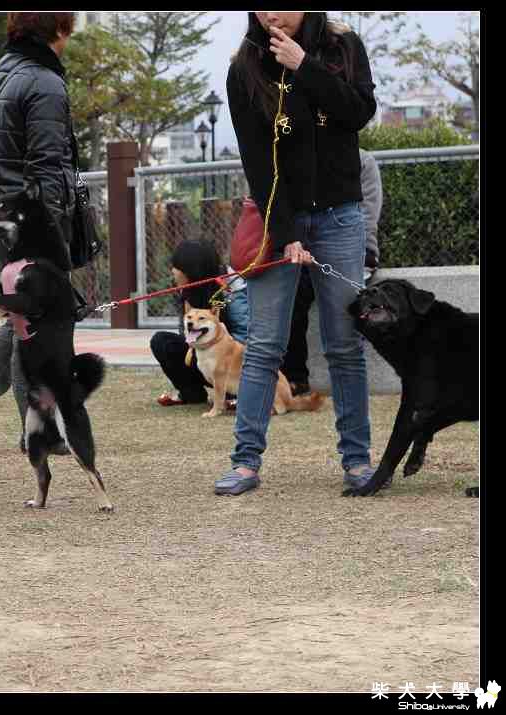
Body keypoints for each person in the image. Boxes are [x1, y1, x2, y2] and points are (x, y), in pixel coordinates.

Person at [217, 11, 378, 496]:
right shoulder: (244, 64)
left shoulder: (342, 46)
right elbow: (256, 162)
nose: (270, 14)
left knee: (344, 342)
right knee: (264, 344)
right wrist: (284, 231)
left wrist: (305, 65)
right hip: (274, 216)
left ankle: (357, 459)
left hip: (341, 214)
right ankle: (245, 462)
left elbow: (359, 113)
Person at [0, 11, 78, 451]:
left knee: (30, 312)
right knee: (43, 316)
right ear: (60, 30)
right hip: (32, 215)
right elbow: (46, 160)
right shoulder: (45, 81)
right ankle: (34, 426)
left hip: (0, 208)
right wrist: (53, 224)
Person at [280, 147, 382, 396]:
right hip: (302, 250)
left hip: (353, 249)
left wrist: (361, 248)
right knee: (292, 300)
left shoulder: (362, 161)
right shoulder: (295, 158)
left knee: (348, 317)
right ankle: (294, 376)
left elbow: (368, 211)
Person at [153, 240, 250, 408]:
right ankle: (191, 393)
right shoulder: (186, 288)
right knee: (161, 341)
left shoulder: (229, 287)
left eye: (176, 267)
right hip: (202, 358)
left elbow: (245, 334)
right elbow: (186, 334)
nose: (173, 271)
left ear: (191, 270)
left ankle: (235, 394)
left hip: (230, 364)